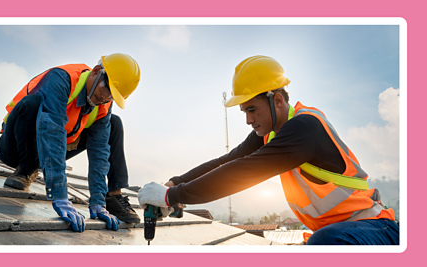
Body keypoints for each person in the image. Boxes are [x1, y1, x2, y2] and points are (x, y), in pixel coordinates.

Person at [138, 55, 399, 245]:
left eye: (252, 109)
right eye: (244, 112)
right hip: (343, 232)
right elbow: (225, 162)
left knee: (326, 241)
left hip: (374, 229)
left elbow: (242, 172)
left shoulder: (304, 127)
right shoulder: (269, 134)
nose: (249, 120)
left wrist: (171, 197)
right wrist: (173, 184)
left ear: (277, 100)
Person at [0, 53, 142, 233]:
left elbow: (100, 152)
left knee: (114, 123)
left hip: (50, 151)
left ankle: (112, 196)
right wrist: (59, 195)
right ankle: (26, 169)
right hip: (14, 147)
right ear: (97, 71)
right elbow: (52, 131)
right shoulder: (62, 79)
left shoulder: (104, 103)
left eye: (113, 96)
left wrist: (98, 200)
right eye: (107, 90)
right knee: (32, 103)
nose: (106, 98)